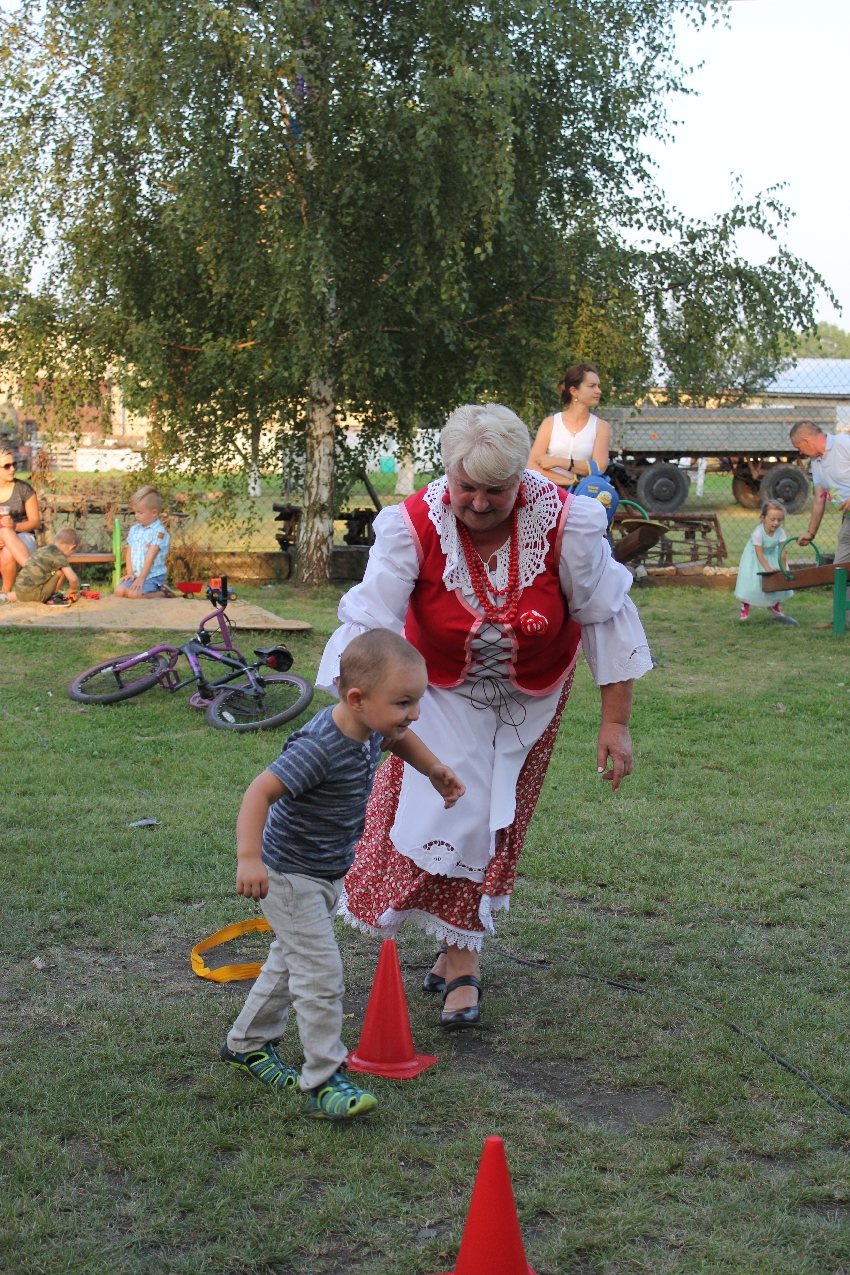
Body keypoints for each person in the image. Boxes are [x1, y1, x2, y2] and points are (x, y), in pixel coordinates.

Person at [317, 403, 651, 1030]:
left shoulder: (568, 523)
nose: (478, 502)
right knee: (450, 812)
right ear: (448, 473)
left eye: (496, 490)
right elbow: (371, 621)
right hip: (438, 690)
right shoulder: (413, 525)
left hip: (532, 696)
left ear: (521, 477)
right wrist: (352, 712)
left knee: (494, 822)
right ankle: (459, 958)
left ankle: (458, 955)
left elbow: (605, 617)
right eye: (466, 486)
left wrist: (615, 722)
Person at [221, 629, 465, 1120]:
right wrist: (249, 858)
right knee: (321, 975)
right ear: (357, 698)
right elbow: (259, 792)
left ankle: (246, 1044)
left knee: (290, 961)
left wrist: (434, 769)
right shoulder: (319, 747)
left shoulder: (371, 725)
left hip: (326, 871)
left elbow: (400, 740)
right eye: (403, 702)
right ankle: (324, 1078)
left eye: (416, 700)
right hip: (289, 875)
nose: (414, 713)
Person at [528, 363, 611, 489]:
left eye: (598, 386)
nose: (598, 391)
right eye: (592, 386)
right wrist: (571, 481)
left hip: (582, 495)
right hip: (548, 493)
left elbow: (599, 468)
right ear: (574, 391)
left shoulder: (601, 427)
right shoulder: (550, 423)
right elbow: (531, 465)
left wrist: (558, 462)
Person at [790, 421, 850, 563]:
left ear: (806, 441)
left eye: (798, 447)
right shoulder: (815, 461)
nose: (800, 452)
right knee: (840, 568)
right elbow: (819, 498)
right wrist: (811, 532)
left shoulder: (843, 443)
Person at [734, 500, 797, 625]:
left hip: (772, 556)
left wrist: (783, 569)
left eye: (779, 520)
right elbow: (759, 553)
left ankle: (774, 604)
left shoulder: (781, 532)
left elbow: (783, 552)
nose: (776, 523)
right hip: (755, 558)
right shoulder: (758, 533)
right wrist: (767, 569)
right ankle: (745, 605)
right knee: (753, 583)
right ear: (763, 518)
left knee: (777, 581)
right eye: (772, 519)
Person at [114, 486, 170, 598]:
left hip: (151, 577)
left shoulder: (159, 532)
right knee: (119, 591)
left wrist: (141, 578)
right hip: (136, 576)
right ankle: (138, 586)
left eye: (140, 513)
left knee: (134, 595)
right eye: (135, 512)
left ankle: (162, 593)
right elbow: (129, 552)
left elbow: (150, 556)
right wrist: (130, 573)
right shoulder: (135, 530)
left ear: (154, 513)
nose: (136, 515)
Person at [0, 447, 41, 593]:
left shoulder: (23, 489)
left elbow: (35, 522)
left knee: (7, 547)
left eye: (14, 464)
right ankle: (36, 575)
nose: (12, 469)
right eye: (7, 466)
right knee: (5, 534)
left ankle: (5, 592)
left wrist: (14, 526)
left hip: (23, 537)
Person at [3, 526, 80, 604]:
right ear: (72, 547)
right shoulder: (59, 556)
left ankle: (9, 596)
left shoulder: (43, 550)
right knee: (61, 571)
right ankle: (53, 596)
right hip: (35, 595)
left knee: (50, 572)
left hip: (19, 590)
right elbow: (73, 579)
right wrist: (73, 589)